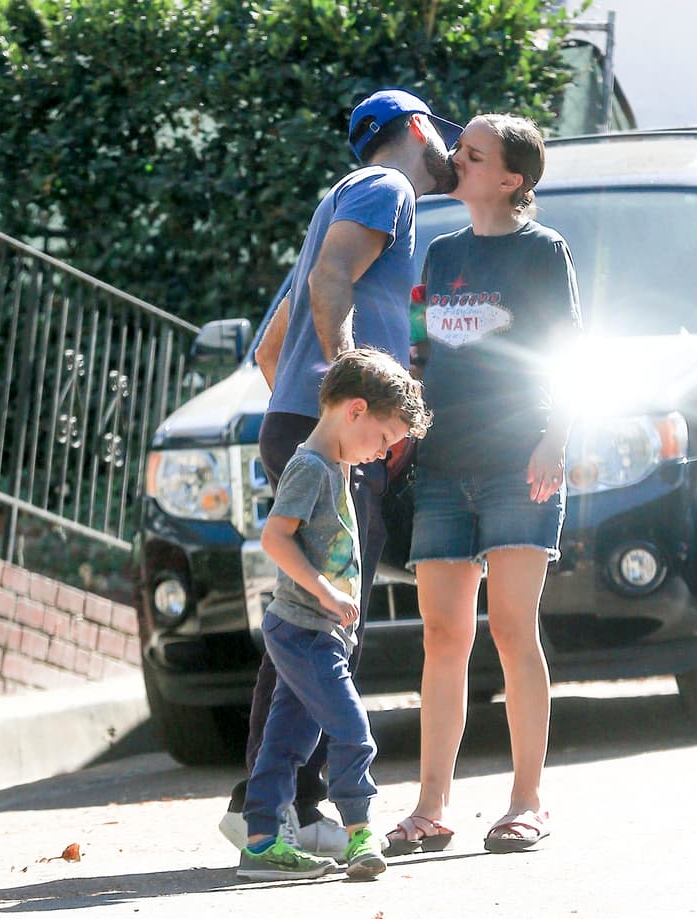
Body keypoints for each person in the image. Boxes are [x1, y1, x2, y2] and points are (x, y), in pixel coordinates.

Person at [220, 88, 461, 857]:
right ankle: (278, 806)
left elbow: (270, 348)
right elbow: (330, 282)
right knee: (323, 628)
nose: (451, 150)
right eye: (443, 134)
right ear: (417, 128)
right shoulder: (386, 187)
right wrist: (351, 407)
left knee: (309, 623)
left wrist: (314, 419)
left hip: (303, 425)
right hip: (331, 433)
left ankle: (272, 803)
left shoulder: (341, 204)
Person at [385, 114, 581, 856]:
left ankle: (528, 801)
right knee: (442, 635)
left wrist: (556, 439)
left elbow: (570, 353)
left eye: (472, 154)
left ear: (510, 179)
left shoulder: (543, 251)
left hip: (518, 462)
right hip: (441, 465)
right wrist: (397, 426)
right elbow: (419, 349)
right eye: (459, 149)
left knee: (511, 630)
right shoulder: (440, 252)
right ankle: (431, 808)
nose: (455, 160)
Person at [238, 348, 432, 881]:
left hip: (314, 631)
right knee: (353, 731)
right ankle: (360, 833)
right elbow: (275, 538)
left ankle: (260, 844)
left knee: (286, 743)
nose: (382, 453)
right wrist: (325, 592)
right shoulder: (310, 468)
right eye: (383, 438)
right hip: (305, 628)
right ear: (355, 410)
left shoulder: (337, 465)